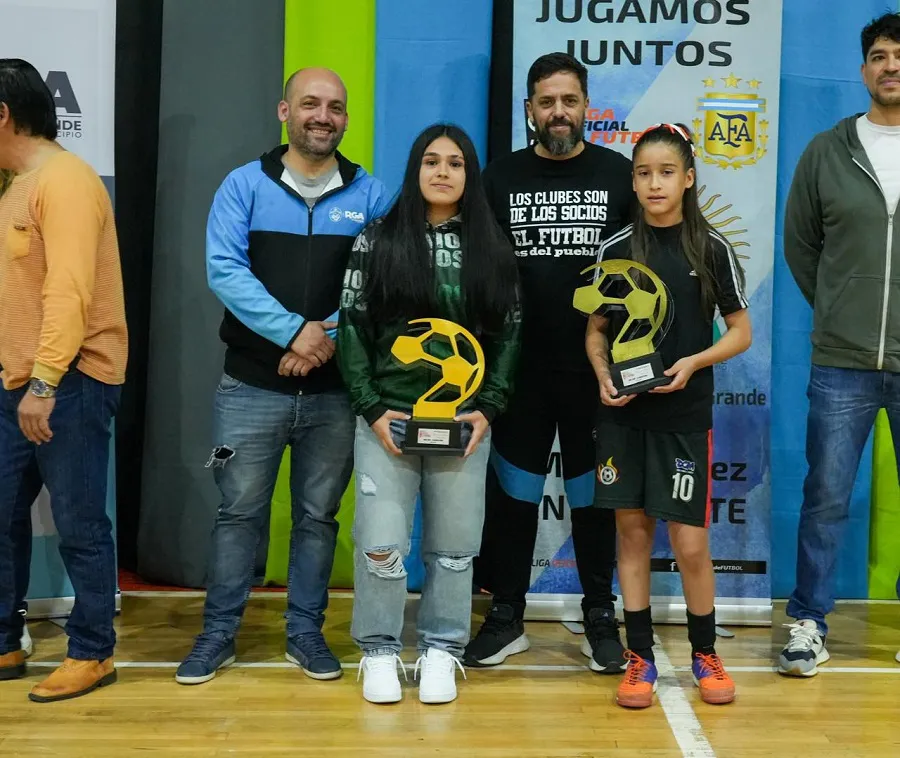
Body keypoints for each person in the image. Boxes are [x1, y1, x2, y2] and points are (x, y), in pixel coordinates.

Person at [175, 67, 390, 685]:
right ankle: (218, 635)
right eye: (310, 104)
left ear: (346, 119)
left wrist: (322, 339)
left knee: (318, 518)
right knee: (239, 515)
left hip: (331, 393)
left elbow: (382, 288)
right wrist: (297, 332)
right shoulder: (243, 186)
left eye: (335, 107)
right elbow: (225, 271)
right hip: (250, 388)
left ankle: (305, 634)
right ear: (284, 111)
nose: (323, 116)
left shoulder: (371, 195)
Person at [337, 124, 521, 704]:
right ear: (416, 170)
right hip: (388, 420)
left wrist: (488, 409)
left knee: (454, 546)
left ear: (470, 176)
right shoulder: (376, 241)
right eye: (432, 162)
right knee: (382, 543)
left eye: (456, 163)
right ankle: (380, 650)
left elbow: (509, 337)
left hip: (462, 422)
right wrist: (370, 409)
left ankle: (442, 649)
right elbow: (352, 330)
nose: (443, 172)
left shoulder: (494, 248)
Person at [466, 52, 634, 673]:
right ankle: (506, 613)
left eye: (569, 100)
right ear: (529, 110)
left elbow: (643, 277)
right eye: (546, 102)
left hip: (598, 372)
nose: (558, 112)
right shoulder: (497, 179)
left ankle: (598, 614)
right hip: (518, 372)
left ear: (586, 106)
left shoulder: (620, 176)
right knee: (512, 497)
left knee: (595, 499)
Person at [586, 123, 751, 709]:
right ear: (633, 180)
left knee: (690, 545)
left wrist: (692, 362)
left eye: (665, 172)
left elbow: (740, 332)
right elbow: (596, 331)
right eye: (642, 172)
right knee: (631, 540)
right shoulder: (616, 248)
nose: (653, 184)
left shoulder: (711, 248)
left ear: (686, 179)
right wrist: (605, 374)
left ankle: (705, 654)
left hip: (683, 415)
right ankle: (640, 659)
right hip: (624, 421)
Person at [0, 59, 127, 701]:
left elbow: (70, 290)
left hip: (67, 382)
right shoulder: (15, 184)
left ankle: (92, 651)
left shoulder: (65, 181)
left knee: (79, 521)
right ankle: (4, 639)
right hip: (15, 383)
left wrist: (44, 383)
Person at [781, 12, 900, 676]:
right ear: (863, 71)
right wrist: (836, 306)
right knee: (825, 497)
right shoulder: (829, 150)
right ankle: (807, 623)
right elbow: (802, 245)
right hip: (841, 362)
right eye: (879, 56)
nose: (891, 65)